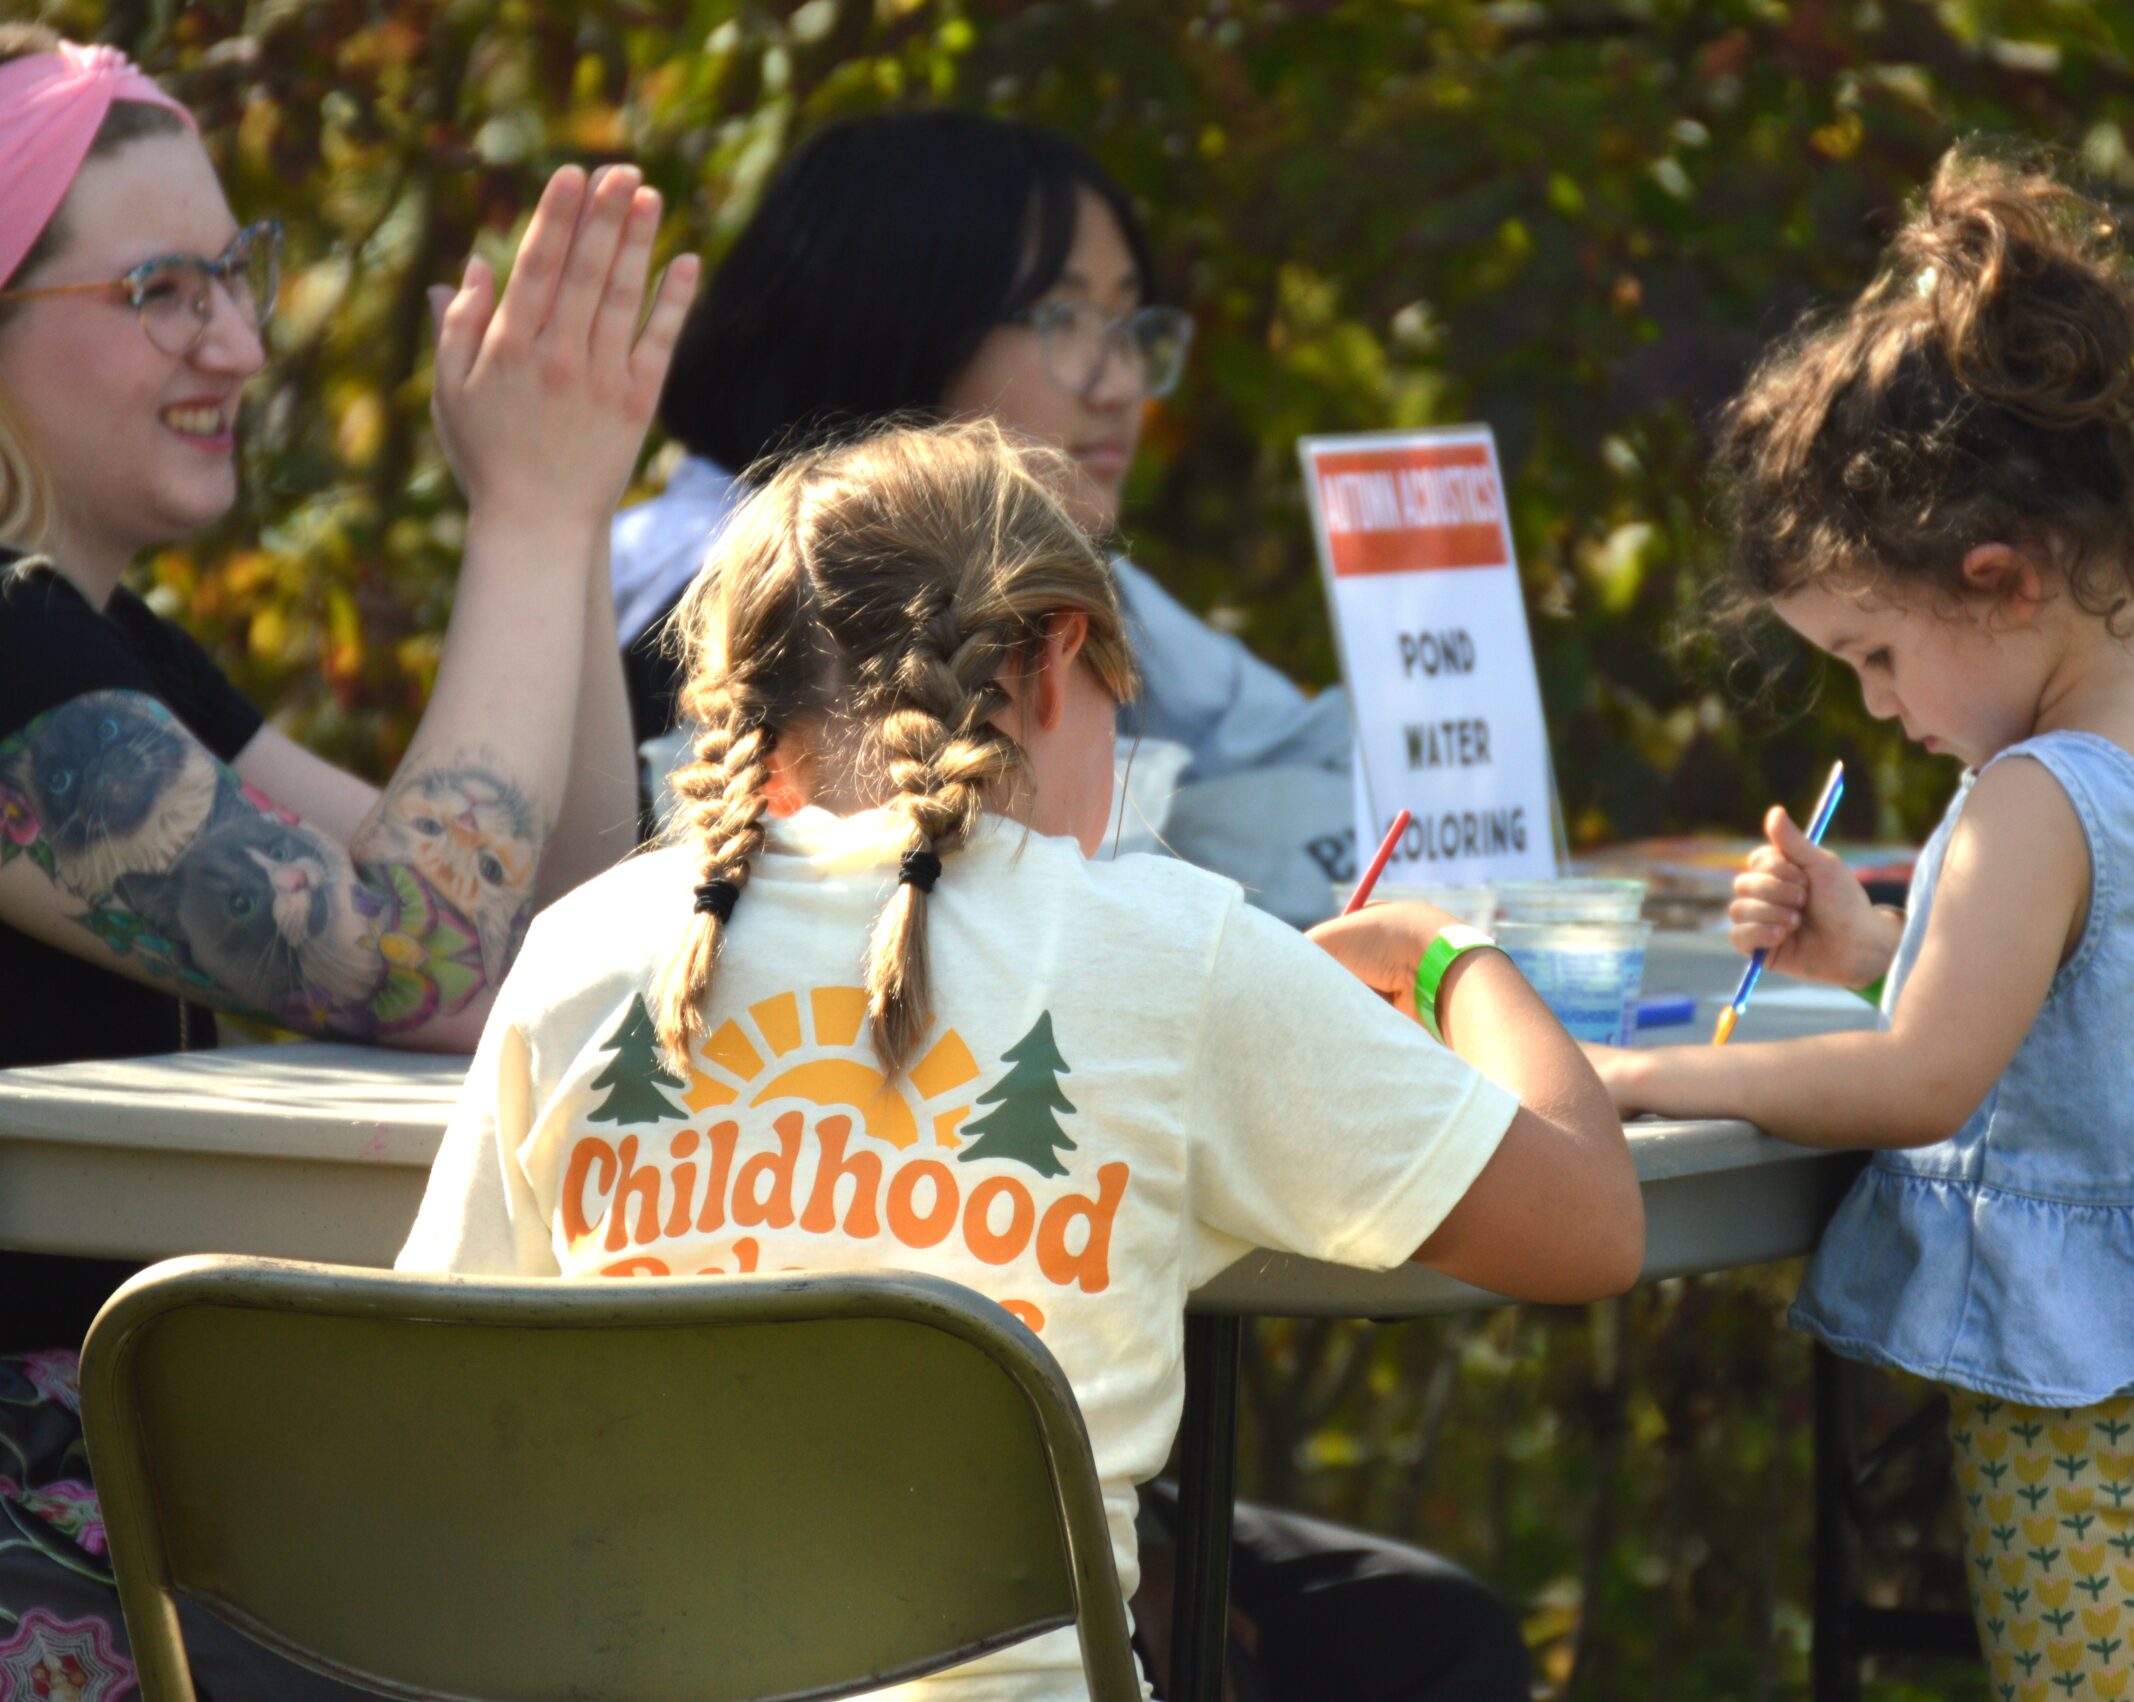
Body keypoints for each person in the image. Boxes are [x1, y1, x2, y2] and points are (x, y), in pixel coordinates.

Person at [400, 419, 1642, 1701]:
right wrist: (1445, 955)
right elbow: (1591, 1224)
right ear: (1053, 658)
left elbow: (436, 1408)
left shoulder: (576, 953)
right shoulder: (1174, 954)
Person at [1590, 150, 2134, 1702]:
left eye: (1877, 653)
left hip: (2092, 1398)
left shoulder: (2036, 792)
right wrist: (1878, 947)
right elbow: (2109, 1004)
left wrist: (1650, 1078)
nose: (1880, 704)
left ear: (1999, 576)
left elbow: (1922, 1083)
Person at [0, 25, 696, 1689]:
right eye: (162, 289)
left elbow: (551, 933)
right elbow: (410, 956)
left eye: (239, 276)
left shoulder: (104, 648)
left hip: (149, 1484)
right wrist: (525, 521)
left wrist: (568, 506)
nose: (237, 341)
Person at [613, 112, 1357, 922]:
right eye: (1065, 320)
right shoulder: (722, 593)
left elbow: (1332, 758)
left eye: (1130, 325)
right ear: (900, 317)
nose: (1121, 387)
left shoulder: (1073, 579)